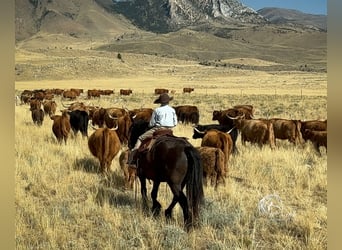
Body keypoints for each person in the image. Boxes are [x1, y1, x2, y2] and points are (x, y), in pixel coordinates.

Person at [127, 93, 178, 166]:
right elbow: (175, 123)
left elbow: (151, 124)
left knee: (140, 138)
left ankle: (133, 159)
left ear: (160, 102)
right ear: (168, 101)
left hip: (158, 129)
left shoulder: (157, 110)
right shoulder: (172, 110)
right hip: (169, 130)